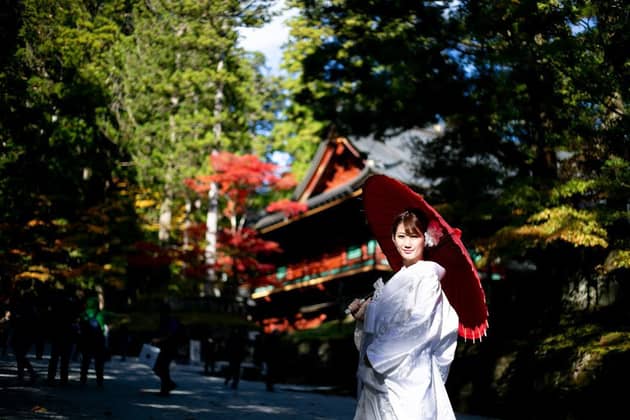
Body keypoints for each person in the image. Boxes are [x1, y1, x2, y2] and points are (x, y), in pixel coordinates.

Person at [347, 209, 459, 420]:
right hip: (382, 369)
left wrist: (377, 354)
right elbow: (384, 324)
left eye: (414, 236)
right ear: (393, 238)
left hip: (408, 371)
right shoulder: (398, 278)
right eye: (401, 236)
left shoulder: (427, 277)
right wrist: (365, 315)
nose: (407, 243)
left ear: (425, 238)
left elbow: (419, 324)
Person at [46, 287, 81, 386]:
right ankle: (63, 379)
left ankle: (50, 378)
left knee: (54, 357)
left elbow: (51, 317)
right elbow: (77, 316)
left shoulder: (57, 303)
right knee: (65, 359)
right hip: (68, 333)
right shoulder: (73, 303)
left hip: (57, 332)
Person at [152, 302, 183, 396]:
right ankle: (168, 385)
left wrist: (158, 340)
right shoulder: (166, 320)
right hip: (165, 347)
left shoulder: (170, 321)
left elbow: (170, 334)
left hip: (169, 348)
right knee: (160, 368)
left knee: (161, 368)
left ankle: (166, 388)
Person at [78, 295, 107, 387]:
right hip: (98, 342)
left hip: (86, 341)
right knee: (98, 362)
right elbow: (102, 328)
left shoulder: (83, 314)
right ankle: (99, 380)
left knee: (85, 361)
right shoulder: (100, 314)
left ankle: (83, 379)